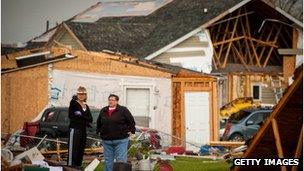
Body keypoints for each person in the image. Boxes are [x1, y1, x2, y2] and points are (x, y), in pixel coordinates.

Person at [97, 94, 136, 171]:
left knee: (121, 160)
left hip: (121, 140)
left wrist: (131, 131)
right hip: (107, 140)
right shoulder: (103, 110)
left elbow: (131, 121)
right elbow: (99, 122)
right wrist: (99, 131)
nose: (110, 101)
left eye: (112, 100)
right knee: (108, 160)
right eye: (109, 100)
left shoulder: (123, 110)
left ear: (117, 101)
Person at [67, 86, 93, 169]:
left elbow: (90, 119)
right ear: (77, 94)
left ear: (86, 95)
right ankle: (70, 168)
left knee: (80, 150)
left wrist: (81, 115)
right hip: (75, 129)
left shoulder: (86, 106)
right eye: (79, 94)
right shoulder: (74, 103)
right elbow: (72, 116)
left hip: (83, 130)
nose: (81, 96)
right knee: (73, 150)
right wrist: (84, 117)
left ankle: (78, 167)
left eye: (83, 94)